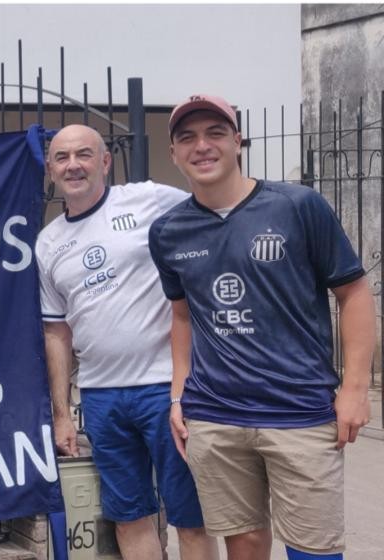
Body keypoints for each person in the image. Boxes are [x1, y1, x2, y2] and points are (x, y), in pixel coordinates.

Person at [149, 94, 376, 560]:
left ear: (238, 142)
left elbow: (353, 293)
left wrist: (355, 388)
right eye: (187, 138)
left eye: (215, 133)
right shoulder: (168, 231)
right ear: (173, 154)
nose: (202, 146)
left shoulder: (297, 206)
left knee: (314, 549)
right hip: (215, 416)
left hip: (301, 411)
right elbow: (182, 315)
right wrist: (178, 393)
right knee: (245, 543)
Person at [36, 124, 218, 560]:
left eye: (84, 154)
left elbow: (210, 216)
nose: (73, 165)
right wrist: (62, 414)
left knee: (190, 518)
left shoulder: (149, 199)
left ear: (105, 162)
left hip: (167, 390)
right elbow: (56, 332)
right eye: (62, 158)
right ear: (50, 169)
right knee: (128, 516)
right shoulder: (48, 243)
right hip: (101, 397)